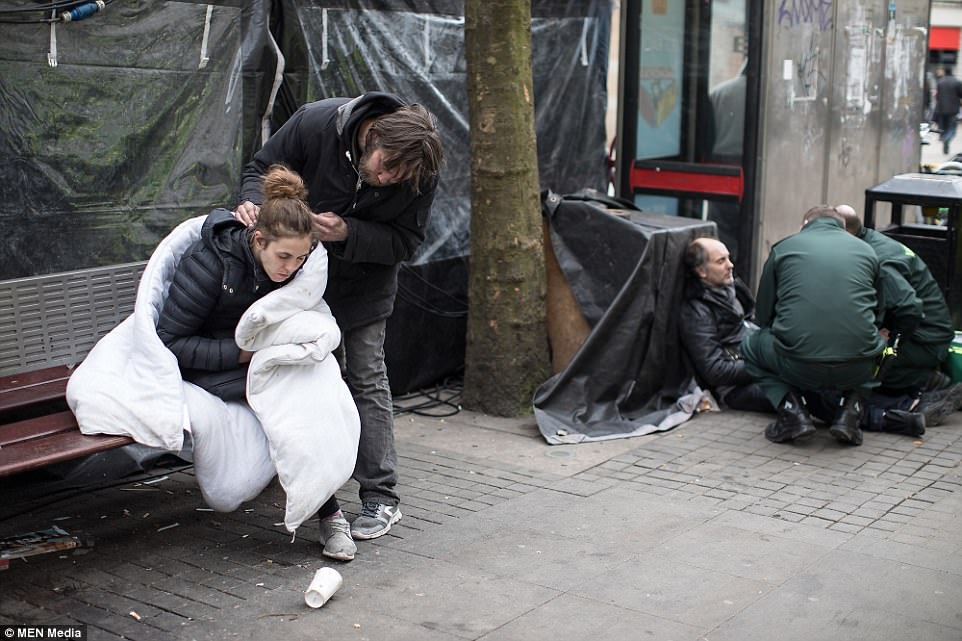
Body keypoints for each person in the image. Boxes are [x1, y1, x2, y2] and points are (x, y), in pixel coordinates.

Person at [235, 92, 444, 540]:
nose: (386, 179)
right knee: (291, 373)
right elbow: (260, 168)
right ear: (374, 136)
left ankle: (380, 497)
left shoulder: (419, 171)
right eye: (384, 165)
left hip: (365, 287)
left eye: (397, 176)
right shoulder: (316, 122)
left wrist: (350, 232)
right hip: (294, 282)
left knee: (366, 377)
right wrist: (253, 201)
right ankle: (293, 477)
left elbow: (407, 242)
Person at [156, 164, 357, 562]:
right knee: (293, 400)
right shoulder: (208, 262)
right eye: (283, 257)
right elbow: (170, 342)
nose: (290, 269)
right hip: (209, 367)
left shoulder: (294, 269)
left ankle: (325, 502)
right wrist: (243, 354)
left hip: (261, 358)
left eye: (300, 260)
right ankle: (330, 514)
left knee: (321, 382)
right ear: (258, 239)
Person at [741, 205, 921, 446]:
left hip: (798, 364)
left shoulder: (783, 248)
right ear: (844, 227)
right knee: (880, 346)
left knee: (750, 345)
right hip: (857, 368)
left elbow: (763, 315)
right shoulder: (868, 252)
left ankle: (792, 412)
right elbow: (878, 315)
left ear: (805, 225)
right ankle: (851, 411)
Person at [836, 204, 962, 425]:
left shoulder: (878, 259)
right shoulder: (868, 242)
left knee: (862, 365)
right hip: (924, 333)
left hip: (926, 340)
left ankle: (925, 384)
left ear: (845, 233)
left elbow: (910, 309)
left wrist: (890, 343)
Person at [679, 236, 770, 412]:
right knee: (806, 390)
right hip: (738, 389)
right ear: (701, 271)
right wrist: (768, 363)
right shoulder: (697, 311)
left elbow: (751, 320)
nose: (730, 265)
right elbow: (716, 371)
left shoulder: (730, 288)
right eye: (721, 261)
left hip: (760, 363)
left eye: (728, 258)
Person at [934, 66, 962, 154]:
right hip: (953, 109)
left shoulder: (940, 82)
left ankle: (943, 137)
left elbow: (937, 96)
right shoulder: (957, 82)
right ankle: (947, 138)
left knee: (943, 127)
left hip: (941, 108)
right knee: (952, 128)